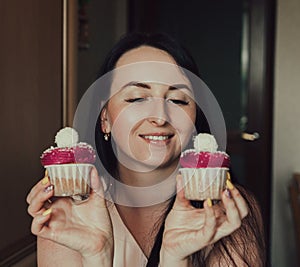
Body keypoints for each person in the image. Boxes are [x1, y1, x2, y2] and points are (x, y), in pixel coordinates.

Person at [26, 32, 265, 267]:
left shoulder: (229, 212)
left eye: (178, 100)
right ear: (105, 118)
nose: (160, 117)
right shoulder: (65, 214)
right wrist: (97, 255)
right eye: (137, 98)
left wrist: (174, 258)